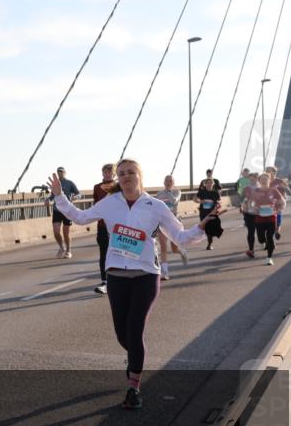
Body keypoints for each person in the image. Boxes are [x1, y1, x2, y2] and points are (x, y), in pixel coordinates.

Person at [49, 159, 225, 409]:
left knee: (135, 329)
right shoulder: (110, 202)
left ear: (140, 176)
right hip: (117, 276)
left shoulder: (156, 206)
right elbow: (79, 217)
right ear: (118, 178)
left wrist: (202, 226)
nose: (126, 176)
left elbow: (181, 237)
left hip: (146, 276)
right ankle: (135, 358)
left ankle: (134, 386)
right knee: (122, 334)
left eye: (131, 172)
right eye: (121, 173)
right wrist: (59, 197)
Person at [243, 173, 286, 265]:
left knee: (270, 237)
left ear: (269, 180)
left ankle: (269, 258)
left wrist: (278, 209)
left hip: (271, 217)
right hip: (259, 217)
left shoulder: (273, 191)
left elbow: (282, 202)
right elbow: (250, 202)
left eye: (266, 179)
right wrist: (252, 208)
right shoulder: (255, 191)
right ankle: (265, 242)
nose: (264, 180)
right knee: (261, 239)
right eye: (262, 179)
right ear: (259, 181)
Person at [154, 175, 189, 279]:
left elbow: (174, 201)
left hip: (173, 223)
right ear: (164, 182)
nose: (168, 182)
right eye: (167, 181)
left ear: (173, 183)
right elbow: (156, 207)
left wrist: (169, 191)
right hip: (162, 223)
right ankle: (165, 272)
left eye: (170, 181)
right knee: (163, 247)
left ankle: (182, 252)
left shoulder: (177, 192)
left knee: (174, 249)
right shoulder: (159, 194)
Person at [92, 164, 117, 294]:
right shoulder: (97, 187)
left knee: (117, 253)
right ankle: (105, 281)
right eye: (105, 172)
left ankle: (117, 279)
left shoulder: (118, 187)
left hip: (117, 227)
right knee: (103, 253)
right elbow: (95, 205)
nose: (107, 174)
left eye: (109, 172)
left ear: (114, 174)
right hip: (102, 226)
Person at [48, 167, 80, 258]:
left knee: (66, 233)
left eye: (61, 172)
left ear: (65, 173)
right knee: (56, 232)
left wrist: (75, 197)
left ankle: (68, 250)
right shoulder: (56, 183)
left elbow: (79, 194)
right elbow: (52, 196)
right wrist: (47, 200)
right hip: (57, 210)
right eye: (58, 172)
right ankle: (61, 248)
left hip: (67, 211)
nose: (60, 173)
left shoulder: (69, 183)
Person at [195, 178, 223, 251]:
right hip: (203, 213)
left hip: (212, 213)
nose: (209, 184)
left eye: (211, 183)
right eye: (208, 183)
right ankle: (207, 240)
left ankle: (209, 244)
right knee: (205, 228)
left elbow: (220, 201)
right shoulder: (202, 192)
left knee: (209, 228)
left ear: (213, 184)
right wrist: (201, 201)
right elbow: (194, 199)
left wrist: (218, 204)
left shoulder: (215, 193)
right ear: (205, 184)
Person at [265, 166, 290, 240]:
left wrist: (288, 191)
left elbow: (286, 188)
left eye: (269, 171)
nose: (267, 172)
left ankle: (277, 231)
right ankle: (271, 232)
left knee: (278, 214)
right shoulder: (264, 181)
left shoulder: (279, 181)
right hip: (268, 202)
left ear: (274, 172)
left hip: (279, 202)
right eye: (266, 171)